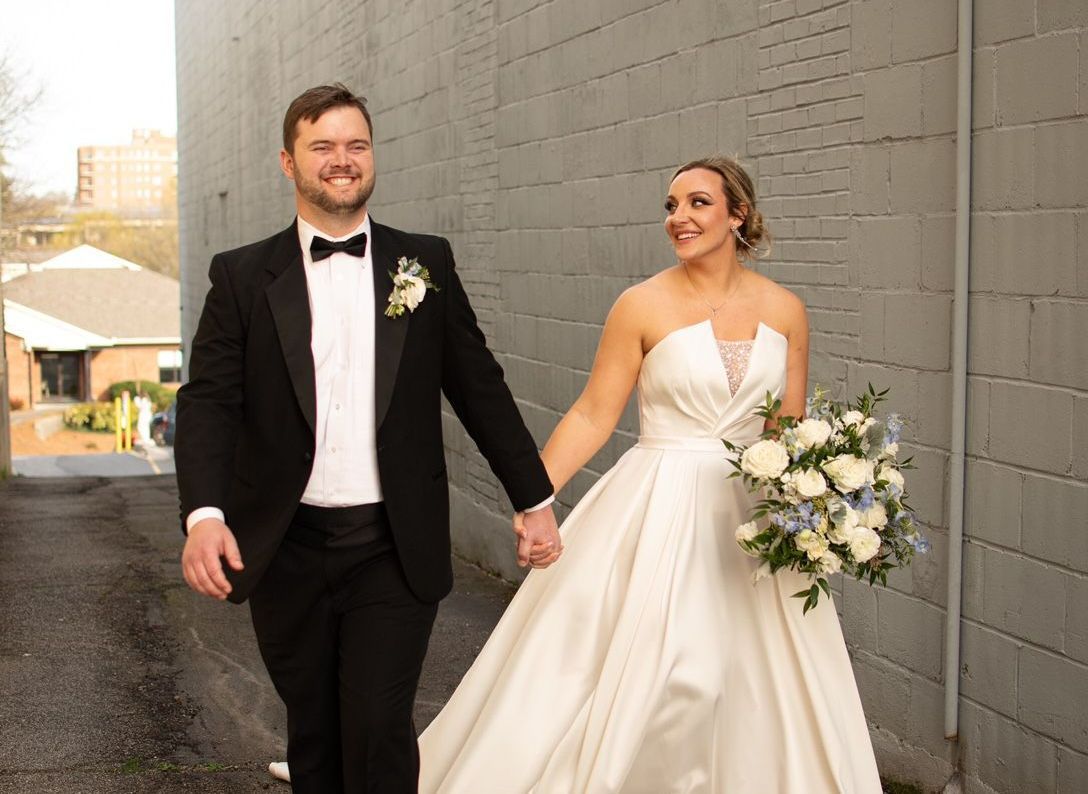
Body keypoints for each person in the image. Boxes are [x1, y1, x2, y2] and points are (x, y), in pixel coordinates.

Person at [414, 156, 883, 792]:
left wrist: (823, 505)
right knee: (673, 674)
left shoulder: (786, 310)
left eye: (697, 203)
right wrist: (533, 500)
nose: (678, 218)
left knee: (754, 678)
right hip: (661, 507)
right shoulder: (641, 305)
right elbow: (592, 414)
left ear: (738, 215)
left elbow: (788, 432)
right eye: (670, 206)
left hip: (754, 518)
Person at [175, 83, 562, 794]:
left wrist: (532, 498)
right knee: (315, 734)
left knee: (378, 727)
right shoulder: (241, 276)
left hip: (391, 541)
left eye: (356, 145)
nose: (342, 159)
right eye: (322, 146)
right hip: (284, 544)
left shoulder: (424, 264)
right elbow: (209, 403)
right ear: (288, 162)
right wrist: (205, 515)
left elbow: (478, 387)